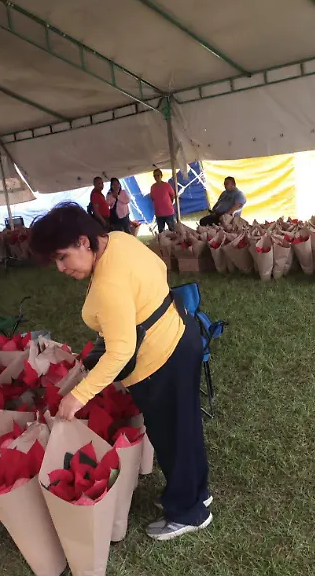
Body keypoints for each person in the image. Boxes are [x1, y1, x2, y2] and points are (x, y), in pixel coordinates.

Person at [29, 204, 212, 540]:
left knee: (173, 436)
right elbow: (158, 267)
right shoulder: (118, 240)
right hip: (180, 335)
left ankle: (190, 511)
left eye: (62, 257)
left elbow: (121, 351)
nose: (60, 268)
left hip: (160, 360)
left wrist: (78, 396)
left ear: (83, 242)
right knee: (184, 428)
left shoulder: (107, 284)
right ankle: (195, 493)